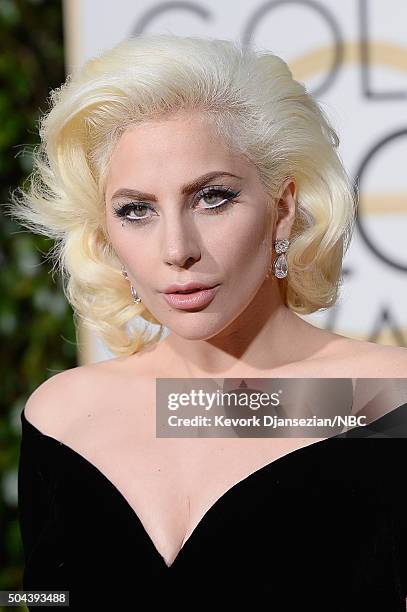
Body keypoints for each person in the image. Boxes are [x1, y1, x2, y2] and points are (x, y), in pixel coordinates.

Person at [7, 33, 407, 610]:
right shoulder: (63, 419)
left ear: (283, 208)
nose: (177, 249)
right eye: (136, 210)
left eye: (211, 198)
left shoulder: (382, 404)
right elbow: (43, 601)